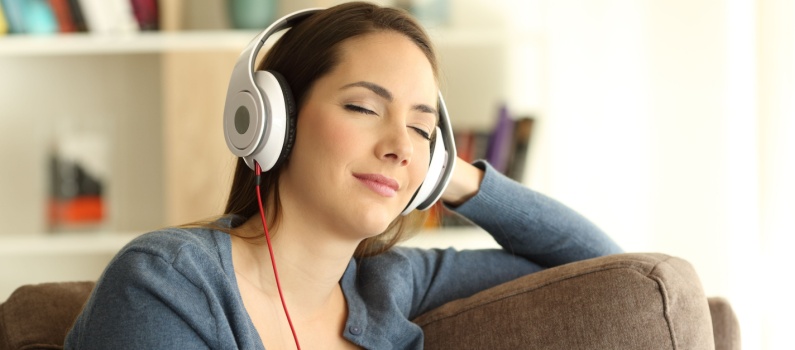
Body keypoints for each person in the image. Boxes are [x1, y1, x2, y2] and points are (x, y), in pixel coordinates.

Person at [65, 2, 622, 349]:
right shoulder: (167, 282)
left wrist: (448, 175)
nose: (401, 146)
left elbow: (606, 270)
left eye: (423, 130)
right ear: (272, 120)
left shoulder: (390, 282)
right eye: (362, 108)